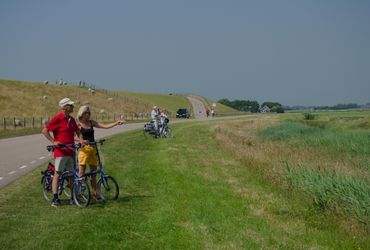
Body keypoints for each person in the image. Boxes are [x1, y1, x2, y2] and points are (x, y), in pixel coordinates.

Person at [42, 97, 86, 207]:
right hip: (60, 152)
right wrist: (54, 141)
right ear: (64, 107)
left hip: (71, 151)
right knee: (58, 174)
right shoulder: (57, 118)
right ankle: (55, 198)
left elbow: (78, 131)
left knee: (72, 175)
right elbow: (44, 130)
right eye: (70, 105)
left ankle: (73, 197)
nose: (72, 107)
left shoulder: (71, 120)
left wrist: (81, 140)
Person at [76, 105, 125, 201]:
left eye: (89, 113)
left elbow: (105, 126)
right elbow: (73, 136)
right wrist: (81, 141)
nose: (89, 115)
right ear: (82, 114)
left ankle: (95, 194)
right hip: (84, 150)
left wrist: (116, 123)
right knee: (81, 172)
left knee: (93, 173)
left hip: (93, 149)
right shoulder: (78, 125)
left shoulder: (91, 122)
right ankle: (79, 193)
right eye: (87, 113)